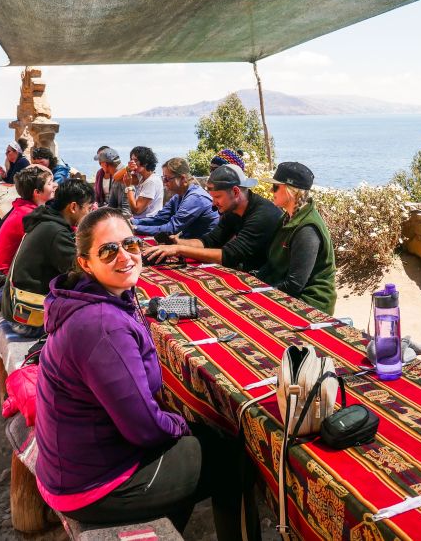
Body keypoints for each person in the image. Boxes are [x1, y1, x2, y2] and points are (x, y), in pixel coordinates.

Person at [35, 208, 257, 539]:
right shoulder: (102, 326)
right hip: (94, 485)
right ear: (85, 263)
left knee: (199, 440)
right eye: (108, 250)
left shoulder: (92, 300)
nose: (124, 256)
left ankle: (169, 515)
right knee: (230, 458)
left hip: (74, 464)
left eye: (131, 244)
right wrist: (182, 425)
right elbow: (144, 428)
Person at [143, 164, 282, 272]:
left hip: (267, 278)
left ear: (235, 192)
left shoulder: (262, 215)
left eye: (217, 197)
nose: (213, 203)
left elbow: (229, 256)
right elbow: (210, 241)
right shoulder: (233, 210)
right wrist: (178, 242)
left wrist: (179, 250)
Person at [5, 178, 95, 336]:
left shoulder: (45, 220)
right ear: (73, 207)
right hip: (30, 317)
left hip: (14, 305)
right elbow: (80, 271)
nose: (88, 214)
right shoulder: (56, 232)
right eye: (88, 208)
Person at [255, 162, 337, 314]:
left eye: (275, 187)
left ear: (290, 190)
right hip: (288, 293)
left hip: (310, 303)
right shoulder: (287, 218)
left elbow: (294, 285)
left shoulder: (307, 229)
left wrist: (260, 295)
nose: (270, 190)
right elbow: (271, 264)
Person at [0, 164, 57, 276]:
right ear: (37, 192)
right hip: (5, 279)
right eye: (50, 183)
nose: (55, 185)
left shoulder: (23, 208)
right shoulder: (29, 215)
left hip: (3, 271)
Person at [131, 157, 219, 240]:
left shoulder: (195, 198)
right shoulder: (178, 196)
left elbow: (171, 229)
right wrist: (132, 222)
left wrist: (134, 228)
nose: (164, 182)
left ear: (183, 179)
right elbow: (159, 219)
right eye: (163, 178)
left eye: (167, 178)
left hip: (203, 248)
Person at [122, 146, 164, 219]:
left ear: (145, 163)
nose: (132, 163)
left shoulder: (151, 181)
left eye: (136, 160)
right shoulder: (142, 177)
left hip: (148, 224)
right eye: (131, 160)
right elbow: (116, 177)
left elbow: (136, 210)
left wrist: (129, 187)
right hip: (140, 221)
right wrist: (128, 168)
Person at [97, 147, 131, 216]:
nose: (100, 165)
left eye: (100, 163)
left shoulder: (124, 177)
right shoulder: (115, 176)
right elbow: (112, 205)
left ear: (105, 164)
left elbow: (127, 212)